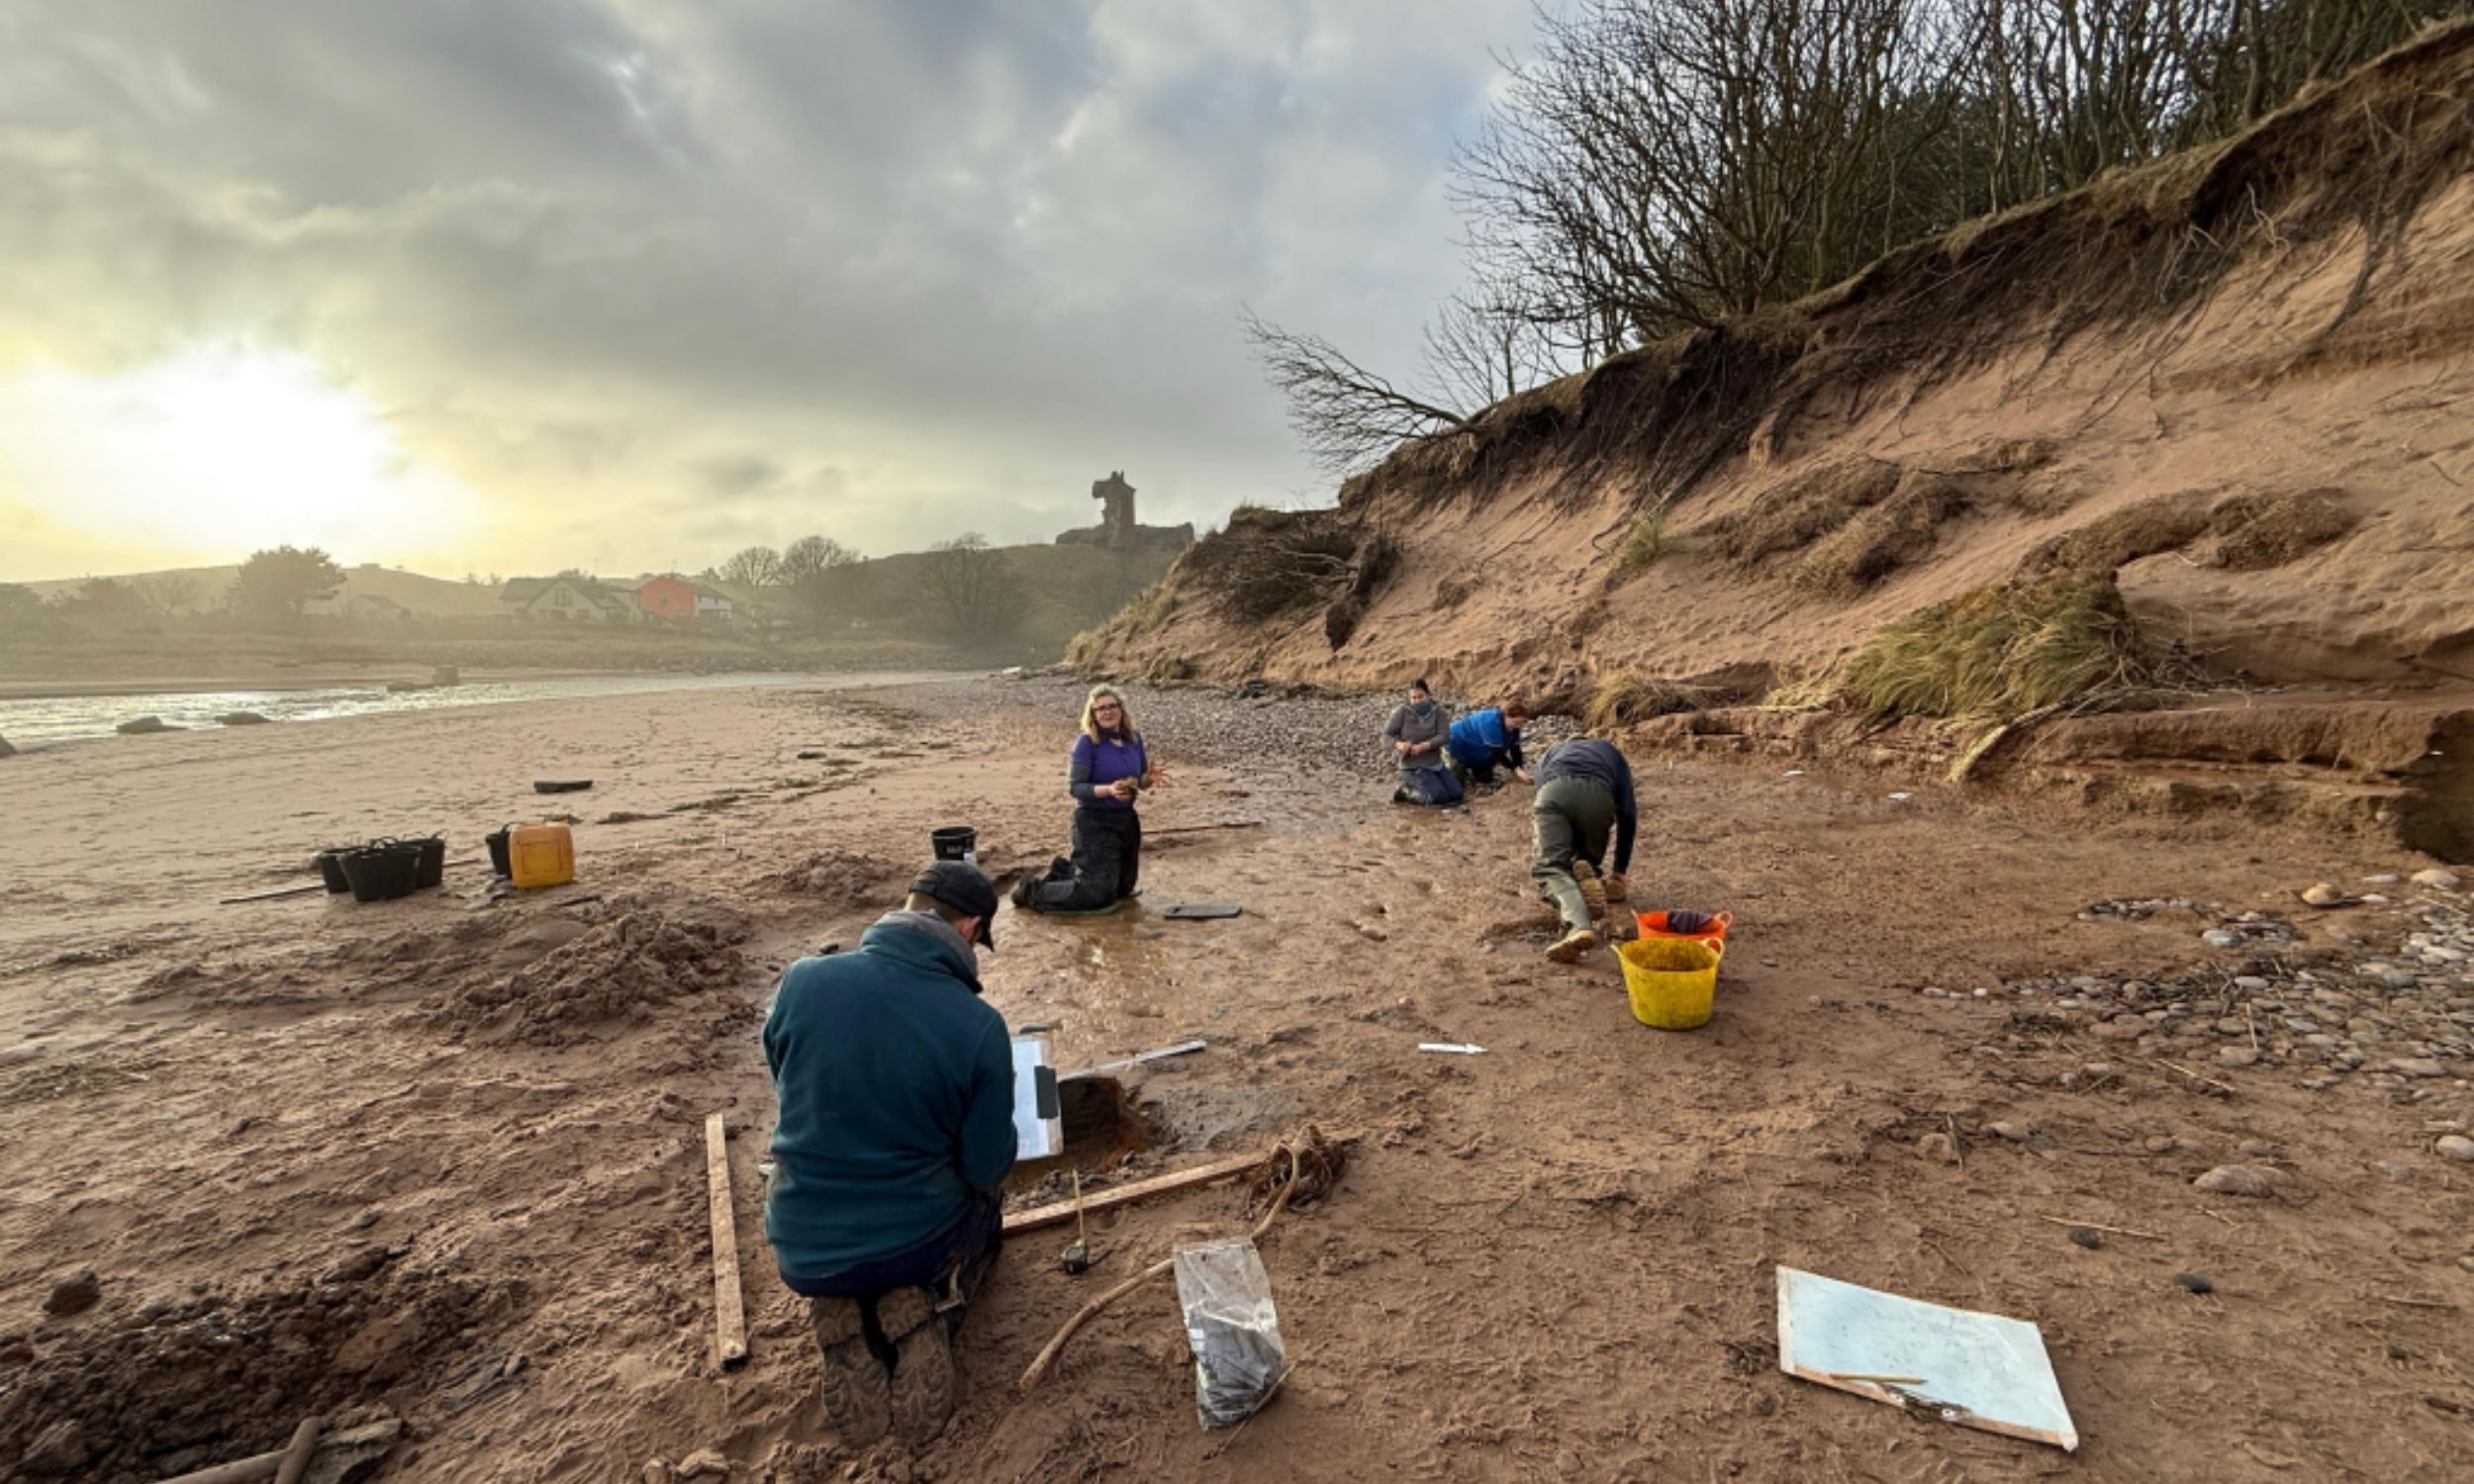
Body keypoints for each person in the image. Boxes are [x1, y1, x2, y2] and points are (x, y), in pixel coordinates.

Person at [763, 861, 1014, 1447]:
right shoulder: (978, 1025)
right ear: (972, 928)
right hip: (916, 1242)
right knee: (988, 1207)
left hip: (802, 1246)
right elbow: (985, 1167)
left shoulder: (802, 980)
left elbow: (788, 1085)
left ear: (906, 906)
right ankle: (934, 1308)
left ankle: (845, 1310)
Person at [1014, 685, 1163, 913]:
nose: (1107, 712)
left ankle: (1065, 869)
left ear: (1121, 710)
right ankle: (1031, 890)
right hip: (1093, 820)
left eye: (1112, 706)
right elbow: (1075, 788)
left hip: (1126, 820)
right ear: (1092, 715)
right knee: (1096, 894)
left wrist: (1148, 779)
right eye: (1100, 709)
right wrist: (1109, 790)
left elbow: (1139, 781)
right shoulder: (1086, 743)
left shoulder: (1134, 739)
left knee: (1122, 889)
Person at [1529, 737, 1637, 963]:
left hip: (1554, 791)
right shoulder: (1611, 752)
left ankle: (1578, 924)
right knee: (1587, 859)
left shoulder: (1552, 750)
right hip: (1598, 795)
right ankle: (1588, 873)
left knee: (1552, 867)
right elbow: (1627, 812)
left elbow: (1541, 789)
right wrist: (1619, 869)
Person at [1382, 678, 1462, 805]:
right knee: (1437, 798)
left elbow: (1444, 736)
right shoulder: (1402, 712)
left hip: (1435, 764)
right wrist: (1400, 745)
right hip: (1412, 766)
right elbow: (1387, 735)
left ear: (1428, 695)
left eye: (1421, 697)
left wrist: (1424, 746)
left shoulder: (1438, 712)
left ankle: (1431, 783)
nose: (1417, 701)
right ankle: (1406, 792)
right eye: (1414, 698)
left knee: (1456, 794)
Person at [1447, 700, 1533, 788]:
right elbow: (1497, 752)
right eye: (1516, 723)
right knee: (1457, 785)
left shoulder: (1514, 728)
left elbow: (1515, 750)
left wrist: (1520, 768)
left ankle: (1474, 767)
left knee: (1486, 778)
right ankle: (1457, 767)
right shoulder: (1490, 722)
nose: (1518, 726)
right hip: (1458, 740)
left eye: (1522, 723)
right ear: (1506, 716)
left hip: (1478, 748)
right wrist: (1515, 769)